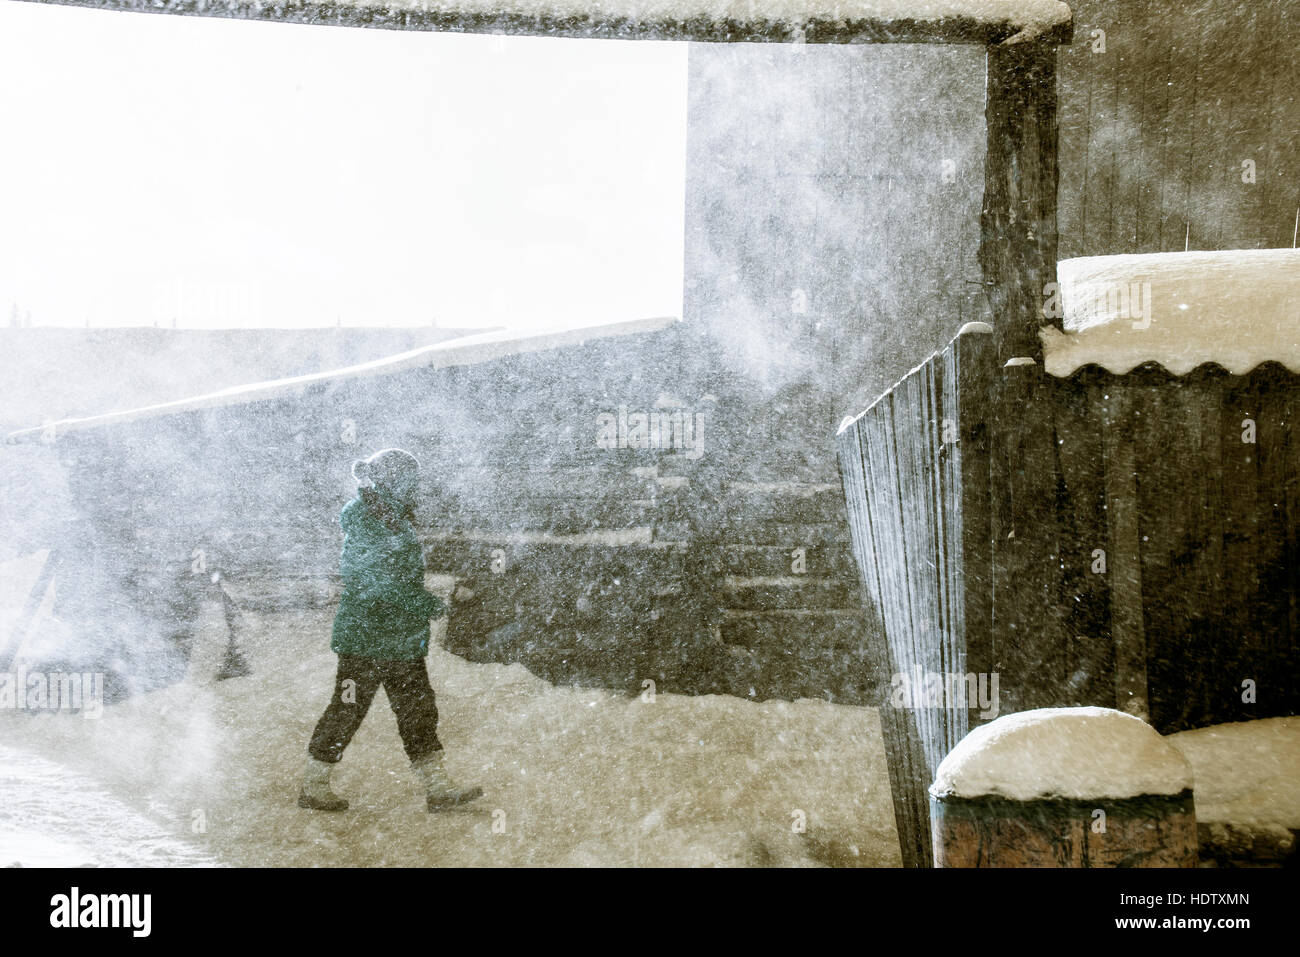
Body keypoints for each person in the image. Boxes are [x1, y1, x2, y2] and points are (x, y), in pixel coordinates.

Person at [299, 448, 482, 812]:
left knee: (418, 711)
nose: (416, 489)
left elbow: (393, 577)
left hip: (400, 640)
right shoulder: (366, 519)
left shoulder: (395, 518)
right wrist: (422, 602)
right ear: (392, 482)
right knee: (347, 709)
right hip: (365, 639)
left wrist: (416, 602)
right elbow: (371, 579)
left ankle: (438, 787)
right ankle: (314, 784)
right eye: (410, 482)